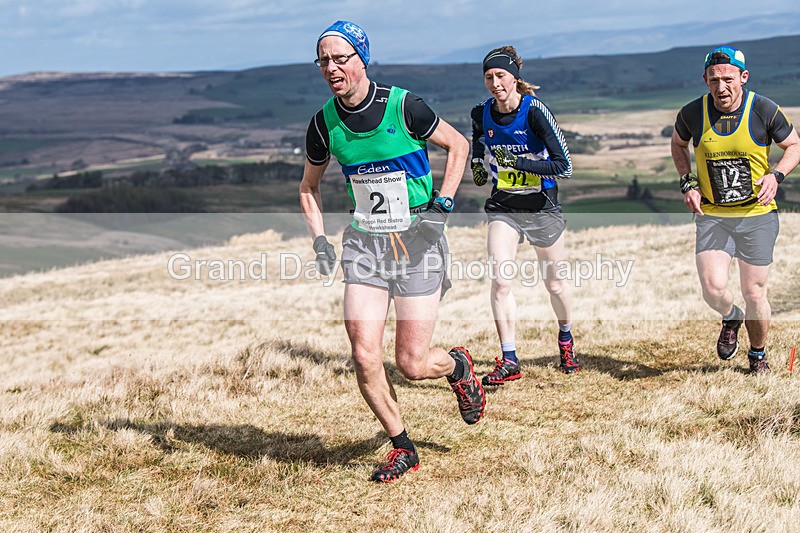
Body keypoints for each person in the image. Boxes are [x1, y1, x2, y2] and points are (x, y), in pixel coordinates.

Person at [299, 20, 485, 482]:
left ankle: (457, 365)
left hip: (418, 240)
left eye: (340, 58)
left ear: (362, 58)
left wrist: (440, 208)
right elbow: (308, 187)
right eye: (323, 60)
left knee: (412, 364)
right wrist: (320, 239)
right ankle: (403, 446)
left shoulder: (404, 107)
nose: (331, 67)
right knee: (364, 355)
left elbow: (458, 145)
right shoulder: (324, 124)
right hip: (365, 244)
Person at [670, 46, 800, 373]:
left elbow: (795, 145)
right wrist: (688, 181)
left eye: (728, 79)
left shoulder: (765, 110)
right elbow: (677, 143)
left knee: (754, 291)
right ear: (705, 80)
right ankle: (731, 317)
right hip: (714, 215)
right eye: (714, 80)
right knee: (713, 289)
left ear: (743, 77)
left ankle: (758, 355)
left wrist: (776, 175)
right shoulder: (692, 114)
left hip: (757, 215)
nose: (721, 87)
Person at [470, 46, 578, 383]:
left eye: (500, 75)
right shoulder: (481, 112)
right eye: (488, 77)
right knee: (501, 280)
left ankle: (565, 337)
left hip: (542, 205)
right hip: (505, 206)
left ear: (515, 77)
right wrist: (477, 164)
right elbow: (478, 141)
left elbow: (565, 166)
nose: (494, 83)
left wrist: (518, 162)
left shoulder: (535, 112)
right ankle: (510, 358)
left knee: (555, 284)